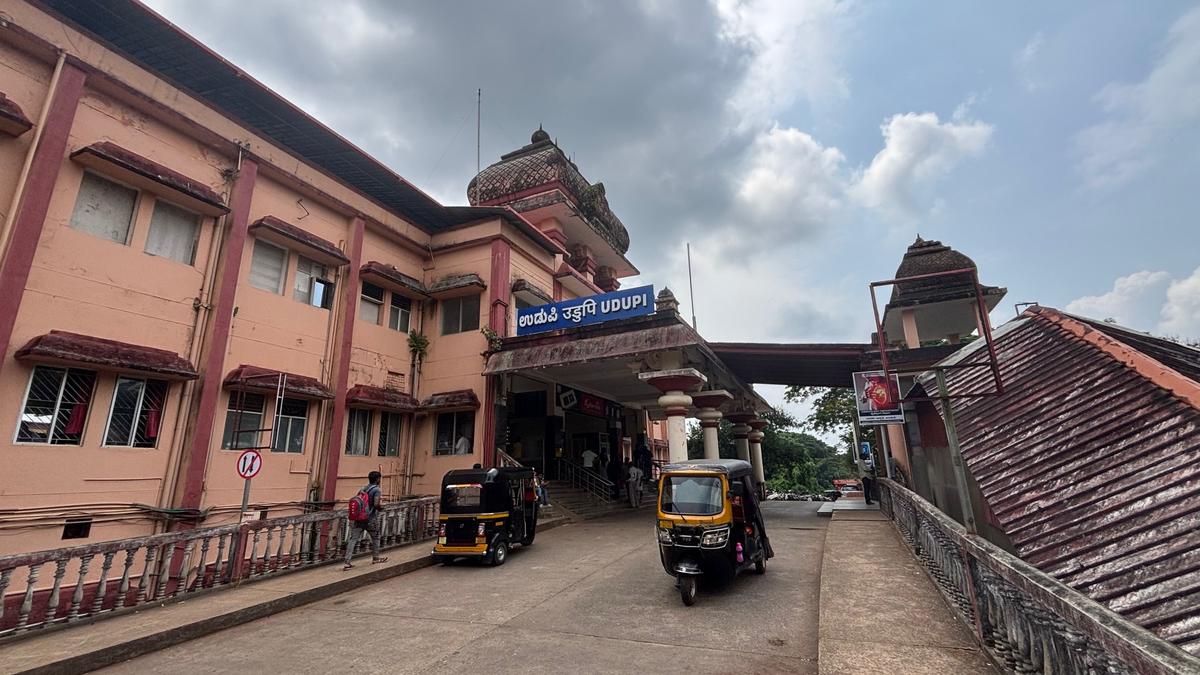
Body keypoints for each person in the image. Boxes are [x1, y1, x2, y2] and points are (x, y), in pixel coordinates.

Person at [344, 470, 387, 570]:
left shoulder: (363, 489)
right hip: (370, 519)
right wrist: (381, 508)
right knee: (376, 537)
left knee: (353, 539)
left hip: (359, 518)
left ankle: (347, 562)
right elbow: (376, 504)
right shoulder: (377, 490)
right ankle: (376, 558)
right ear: (378, 479)